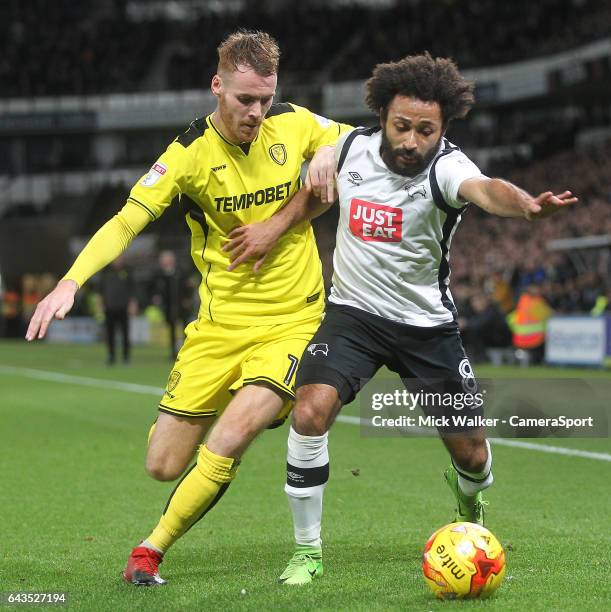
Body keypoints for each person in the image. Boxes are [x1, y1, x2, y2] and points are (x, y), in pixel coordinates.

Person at [226, 52, 577, 585]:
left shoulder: (448, 168)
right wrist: (275, 226)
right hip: (353, 316)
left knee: (474, 455)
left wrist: (526, 204)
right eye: (402, 127)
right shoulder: (351, 149)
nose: (411, 140)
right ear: (382, 117)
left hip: (425, 327)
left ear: (443, 129)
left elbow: (486, 191)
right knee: (309, 414)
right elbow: (314, 194)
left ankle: (470, 510)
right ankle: (307, 551)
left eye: (425, 130)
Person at [25, 30, 350, 586]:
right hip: (218, 327)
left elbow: (356, 145)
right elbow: (128, 219)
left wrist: (326, 152)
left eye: (266, 99)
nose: (257, 111)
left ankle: (150, 550)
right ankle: (241, 413)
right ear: (216, 86)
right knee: (164, 465)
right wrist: (71, 282)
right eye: (245, 99)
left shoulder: (295, 123)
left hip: (293, 319)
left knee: (231, 435)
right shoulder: (187, 155)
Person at [100, 258, 135, 365]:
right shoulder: (106, 271)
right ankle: (111, 356)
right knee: (110, 333)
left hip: (123, 307)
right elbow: (100, 290)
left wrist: (132, 304)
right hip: (109, 307)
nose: (118, 261)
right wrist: (100, 304)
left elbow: (133, 289)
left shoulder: (128, 271)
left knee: (125, 333)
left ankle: (126, 356)